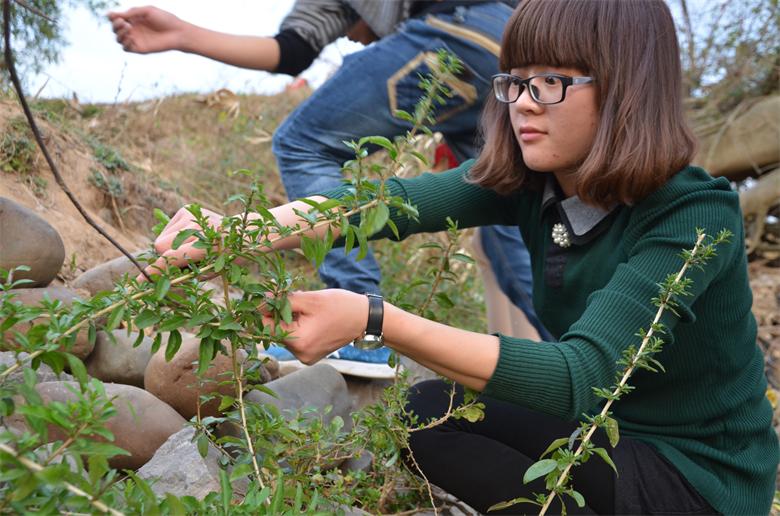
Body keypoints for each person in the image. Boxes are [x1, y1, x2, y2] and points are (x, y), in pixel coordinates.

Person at [144, 0, 779, 513]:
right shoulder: (535, 182)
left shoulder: (692, 213)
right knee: (430, 412)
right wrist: (229, 233)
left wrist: (374, 318)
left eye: (554, 81)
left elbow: (579, 376)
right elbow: (378, 205)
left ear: (626, 89)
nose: (525, 101)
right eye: (518, 81)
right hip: (602, 432)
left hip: (695, 478)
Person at [109, 1, 549, 368]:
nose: (354, 38)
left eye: (350, 30)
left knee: (303, 142)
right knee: (509, 210)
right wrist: (181, 35)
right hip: (516, 44)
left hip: (456, 30)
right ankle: (594, 376)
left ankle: (357, 326)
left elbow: (294, 51)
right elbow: (294, 49)